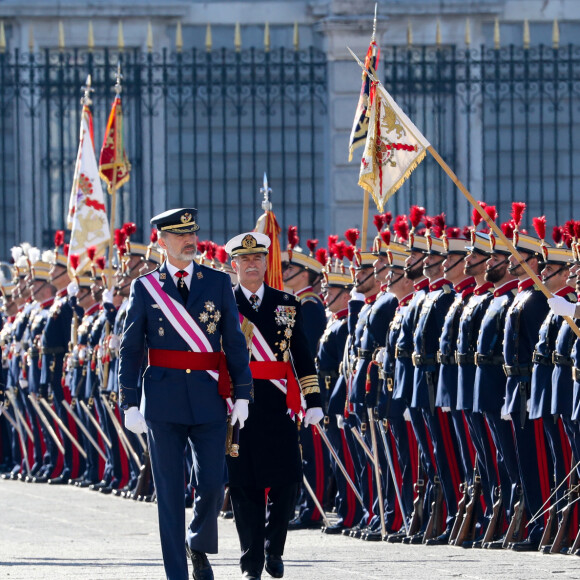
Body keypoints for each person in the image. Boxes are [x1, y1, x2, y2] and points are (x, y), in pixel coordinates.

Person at [118, 208, 253, 580]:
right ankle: (176, 572)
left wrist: (242, 393)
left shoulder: (217, 282)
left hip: (209, 397)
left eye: (192, 232)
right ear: (162, 241)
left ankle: (198, 544)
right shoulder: (145, 287)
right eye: (180, 235)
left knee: (212, 482)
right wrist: (128, 403)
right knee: (169, 493)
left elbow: (234, 342)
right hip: (163, 401)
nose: (190, 240)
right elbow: (130, 350)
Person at [224, 231, 323, 580]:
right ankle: (250, 560)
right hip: (238, 404)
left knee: (286, 481)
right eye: (244, 259)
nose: (251, 264)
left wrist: (314, 399)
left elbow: (302, 356)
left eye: (257, 258)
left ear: (267, 263)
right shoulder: (224, 303)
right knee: (244, 484)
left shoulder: (287, 304)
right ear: (234, 265)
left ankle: (274, 549)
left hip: (279, 403)